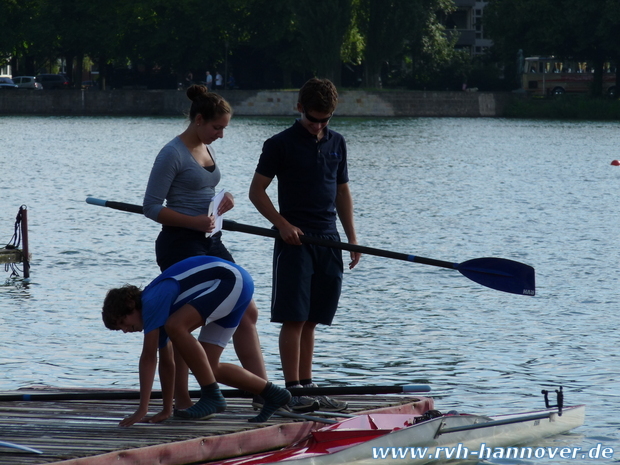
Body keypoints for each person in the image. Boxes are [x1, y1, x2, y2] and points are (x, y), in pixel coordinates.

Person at [143, 84, 269, 412]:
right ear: (199, 120)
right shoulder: (172, 153)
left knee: (248, 311)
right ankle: (185, 399)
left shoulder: (205, 145)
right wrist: (194, 221)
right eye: (217, 127)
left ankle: (264, 393)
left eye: (225, 128)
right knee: (185, 322)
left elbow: (202, 192)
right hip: (180, 243)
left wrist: (224, 202)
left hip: (210, 240)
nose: (221, 135)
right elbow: (152, 207)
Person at [249, 78, 361, 413]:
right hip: (294, 242)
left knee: (313, 318)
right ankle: (292, 390)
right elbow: (257, 192)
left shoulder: (338, 143)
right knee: (294, 318)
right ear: (299, 108)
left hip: (329, 240)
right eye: (313, 119)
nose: (318, 126)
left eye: (325, 120)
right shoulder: (279, 144)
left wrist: (352, 237)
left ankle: (307, 385)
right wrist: (282, 225)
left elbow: (342, 192)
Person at [102, 256, 291, 427]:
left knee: (176, 325)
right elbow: (167, 364)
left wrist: (142, 409)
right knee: (209, 367)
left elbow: (148, 358)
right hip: (233, 287)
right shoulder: (155, 315)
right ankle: (273, 393)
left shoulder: (151, 300)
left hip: (231, 281)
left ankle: (212, 396)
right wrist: (167, 409)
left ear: (130, 305)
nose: (126, 330)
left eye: (122, 323)